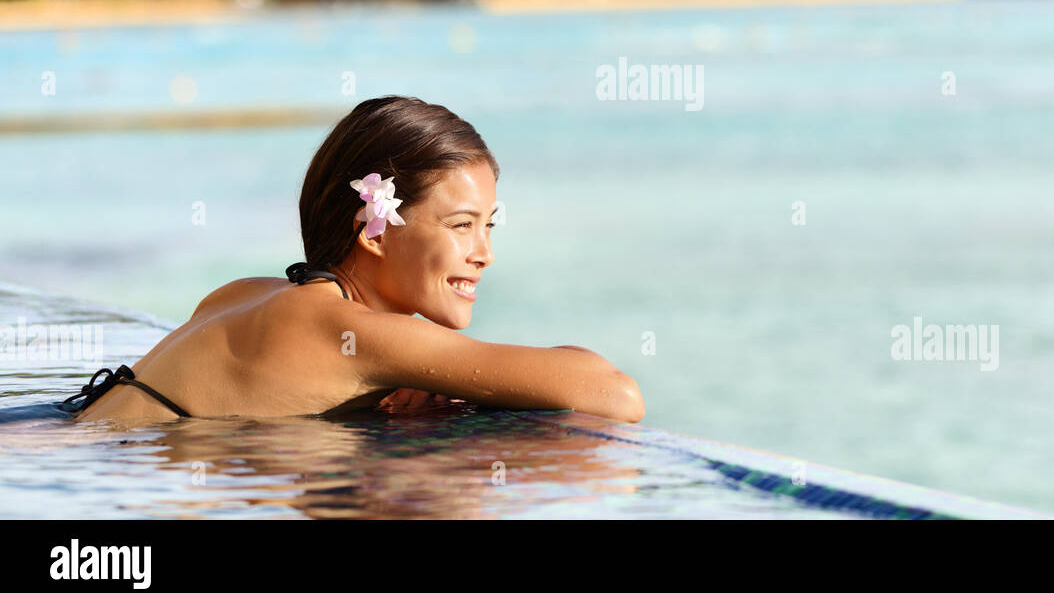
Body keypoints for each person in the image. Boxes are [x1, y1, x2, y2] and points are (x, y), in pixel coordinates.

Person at [64, 95, 645, 425]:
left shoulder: (243, 292)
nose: (485, 254)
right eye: (461, 226)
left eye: (488, 227)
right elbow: (616, 395)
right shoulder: (360, 334)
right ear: (372, 232)